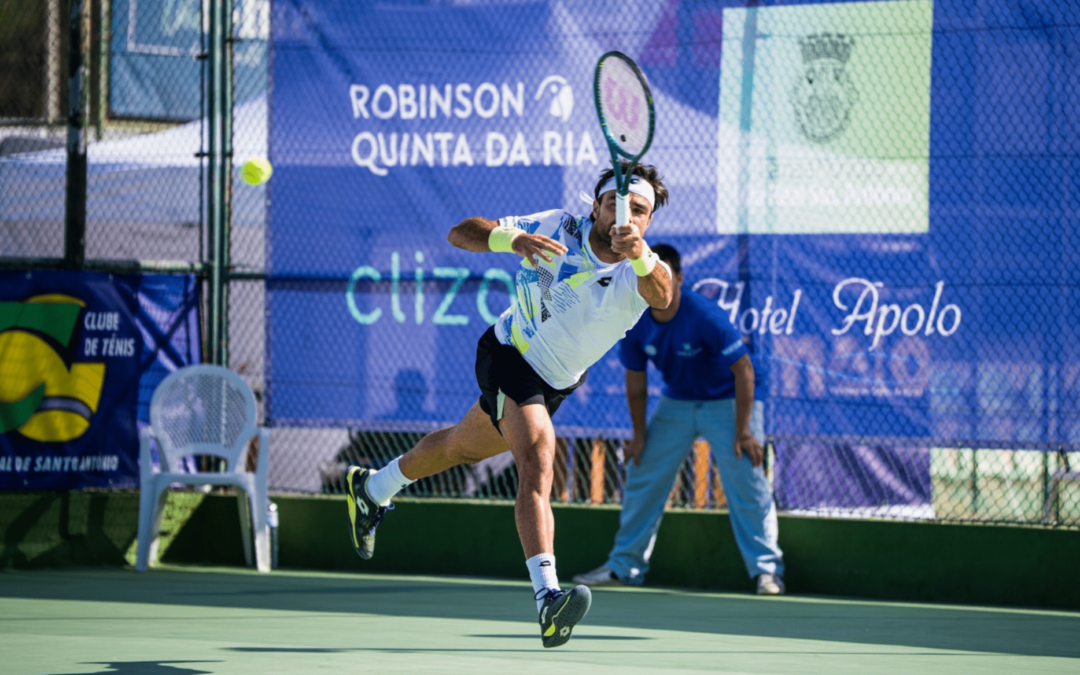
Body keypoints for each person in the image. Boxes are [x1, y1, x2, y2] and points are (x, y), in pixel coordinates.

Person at [344, 162, 674, 648]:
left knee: (460, 447)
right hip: (509, 352)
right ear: (597, 206)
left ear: (647, 221)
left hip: (555, 383)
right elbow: (462, 233)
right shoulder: (560, 226)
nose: (624, 215)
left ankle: (372, 488)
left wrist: (642, 256)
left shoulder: (644, 267)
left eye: (638, 210)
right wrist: (510, 240)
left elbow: (664, 298)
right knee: (538, 458)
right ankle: (549, 599)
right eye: (614, 204)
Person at [571, 244, 786, 595]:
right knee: (641, 470)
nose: (658, 282)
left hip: (730, 398)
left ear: (680, 279)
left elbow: (744, 370)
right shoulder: (635, 319)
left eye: (667, 275)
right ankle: (624, 567)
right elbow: (636, 383)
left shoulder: (704, 315)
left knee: (747, 476)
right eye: (649, 274)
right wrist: (639, 436)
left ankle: (767, 572)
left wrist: (744, 431)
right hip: (678, 399)